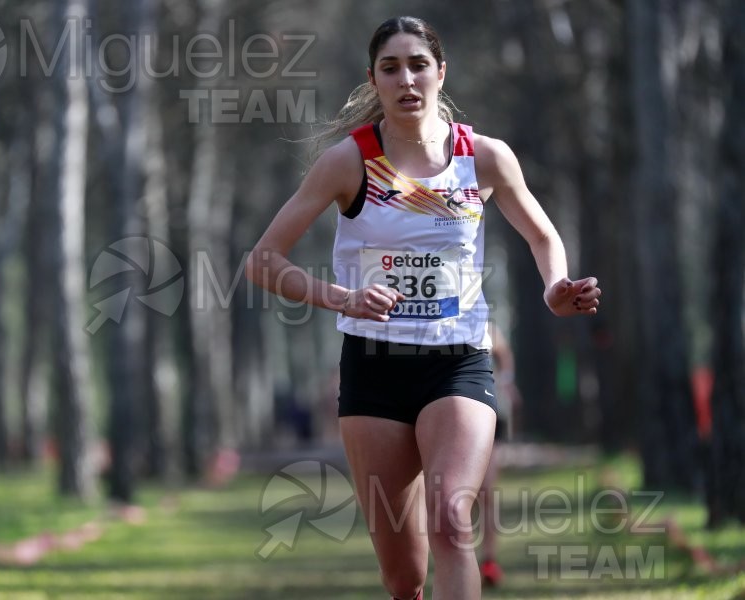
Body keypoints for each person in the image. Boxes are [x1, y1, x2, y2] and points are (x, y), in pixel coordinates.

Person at [245, 15, 601, 600]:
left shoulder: (483, 157)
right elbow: (263, 261)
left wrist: (554, 287)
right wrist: (344, 298)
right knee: (404, 576)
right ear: (373, 80)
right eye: (391, 68)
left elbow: (542, 236)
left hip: (458, 360)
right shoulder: (349, 162)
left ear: (440, 73)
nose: (406, 78)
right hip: (374, 368)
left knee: (451, 520)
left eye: (418, 65)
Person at [477, 323, 522, 587]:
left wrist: (506, 383)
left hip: (487, 412)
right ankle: (460, 557)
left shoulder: (485, 324)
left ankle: (489, 559)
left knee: (485, 491)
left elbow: (504, 353)